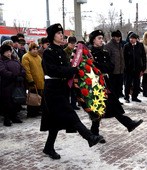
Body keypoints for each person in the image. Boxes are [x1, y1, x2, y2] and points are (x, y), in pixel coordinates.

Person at [40, 24, 103, 160]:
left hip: (62, 88)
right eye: (58, 33)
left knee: (55, 122)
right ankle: (89, 136)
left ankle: (48, 147)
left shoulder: (61, 50)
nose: (61, 35)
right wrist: (73, 71)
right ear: (52, 36)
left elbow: (67, 68)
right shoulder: (48, 52)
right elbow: (53, 71)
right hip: (53, 89)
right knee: (70, 114)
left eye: (61, 33)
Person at [89, 29, 143, 143]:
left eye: (102, 38)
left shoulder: (104, 52)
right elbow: (90, 69)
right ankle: (95, 132)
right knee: (98, 108)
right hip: (94, 83)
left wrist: (97, 65)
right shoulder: (89, 52)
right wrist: (98, 66)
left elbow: (109, 67)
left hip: (105, 81)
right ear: (93, 40)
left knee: (112, 104)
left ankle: (127, 124)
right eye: (99, 38)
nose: (101, 40)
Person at [0, 44, 26, 126]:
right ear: (3, 53)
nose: (8, 53)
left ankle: (15, 116)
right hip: (7, 84)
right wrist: (14, 76)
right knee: (7, 102)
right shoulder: (0, 60)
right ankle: (7, 119)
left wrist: (22, 74)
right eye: (6, 52)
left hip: (17, 83)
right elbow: (3, 71)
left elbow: (22, 68)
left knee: (15, 100)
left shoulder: (15, 58)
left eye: (9, 51)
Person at [22, 42, 44, 117]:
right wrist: (30, 80)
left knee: (38, 96)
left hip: (40, 79)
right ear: (30, 49)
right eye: (33, 49)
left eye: (36, 49)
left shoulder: (38, 57)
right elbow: (26, 70)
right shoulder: (26, 57)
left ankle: (37, 110)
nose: (35, 51)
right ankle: (31, 112)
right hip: (33, 80)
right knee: (32, 96)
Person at [124, 32, 147, 101]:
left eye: (133, 38)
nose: (131, 40)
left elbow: (143, 56)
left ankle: (135, 96)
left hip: (138, 68)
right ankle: (126, 97)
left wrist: (143, 67)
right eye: (130, 38)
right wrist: (125, 67)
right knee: (128, 84)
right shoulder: (126, 46)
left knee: (137, 84)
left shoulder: (140, 45)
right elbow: (124, 58)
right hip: (129, 69)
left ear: (136, 39)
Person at [104, 30, 125, 100]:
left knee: (118, 88)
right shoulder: (108, 46)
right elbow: (107, 59)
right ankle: (112, 102)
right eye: (117, 37)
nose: (118, 38)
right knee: (112, 88)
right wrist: (110, 67)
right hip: (113, 72)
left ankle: (117, 101)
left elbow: (121, 58)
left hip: (120, 70)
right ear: (113, 37)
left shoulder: (120, 45)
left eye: (119, 37)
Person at [64, 36, 79, 110]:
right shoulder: (65, 51)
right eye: (72, 43)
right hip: (68, 73)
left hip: (74, 73)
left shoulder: (76, 51)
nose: (73, 45)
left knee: (74, 90)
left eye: (74, 43)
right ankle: (67, 104)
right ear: (68, 43)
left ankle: (74, 104)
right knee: (68, 90)